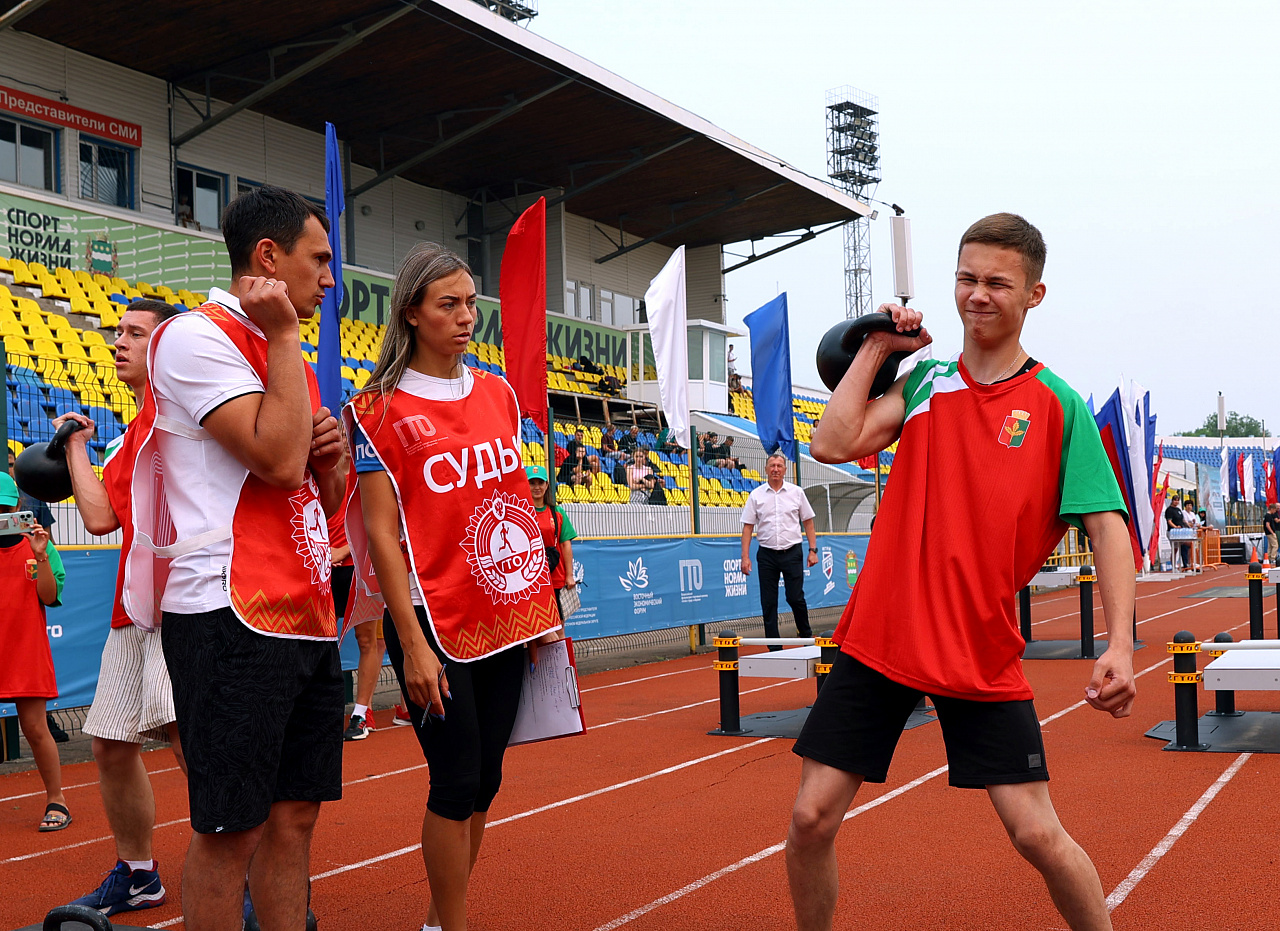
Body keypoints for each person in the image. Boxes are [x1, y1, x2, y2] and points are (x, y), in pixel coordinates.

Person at [791, 213, 1135, 931]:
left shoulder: (1057, 406)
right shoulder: (923, 380)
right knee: (811, 816)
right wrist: (879, 344)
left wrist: (1121, 642)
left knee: (1037, 834)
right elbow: (832, 439)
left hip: (976, 644)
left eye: (996, 283)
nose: (977, 295)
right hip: (882, 633)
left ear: (1034, 295)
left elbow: (1108, 528)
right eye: (966, 279)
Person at [124, 185, 348, 931]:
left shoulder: (281, 348)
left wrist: (336, 470)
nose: (329, 278)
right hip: (229, 608)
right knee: (231, 831)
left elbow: (309, 489)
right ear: (267, 258)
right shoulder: (196, 337)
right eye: (318, 260)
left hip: (303, 611)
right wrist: (284, 340)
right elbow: (278, 462)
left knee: (294, 819)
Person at [345, 242, 562, 931]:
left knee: (488, 781)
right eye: (450, 304)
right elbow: (381, 535)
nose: (467, 316)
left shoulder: (498, 391)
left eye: (471, 303)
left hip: (509, 612)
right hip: (435, 622)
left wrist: (543, 607)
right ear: (411, 312)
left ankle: (440, 918)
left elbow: (517, 504)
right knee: (455, 779)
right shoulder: (375, 410)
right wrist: (411, 643)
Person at [53, 299, 186, 918]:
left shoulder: (185, 417)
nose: (117, 341)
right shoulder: (132, 433)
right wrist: (77, 446)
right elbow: (102, 517)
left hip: (181, 603)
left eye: (135, 333)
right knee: (109, 743)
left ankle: (250, 868)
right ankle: (138, 874)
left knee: (191, 740)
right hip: (132, 611)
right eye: (116, 332)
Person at [0, 472, 68, 831]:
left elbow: (48, 596)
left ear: (18, 506)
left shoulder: (38, 546)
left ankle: (56, 799)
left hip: (25, 650)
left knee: (35, 728)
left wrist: (41, 555)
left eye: (4, 507)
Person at [739, 452, 817, 651]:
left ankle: (806, 637)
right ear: (766, 469)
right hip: (766, 554)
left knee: (795, 597)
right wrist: (745, 557)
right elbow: (748, 527)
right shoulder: (756, 495)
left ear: (784, 470)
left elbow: (808, 522)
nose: (775, 469)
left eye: (779, 466)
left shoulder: (796, 492)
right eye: (772, 465)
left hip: (792, 552)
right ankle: (774, 646)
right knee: (768, 601)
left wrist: (813, 550)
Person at [338, 471, 384, 742]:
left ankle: (360, 714)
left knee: (367, 641)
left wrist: (343, 551)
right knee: (318, 641)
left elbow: (375, 518)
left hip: (357, 567)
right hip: (320, 565)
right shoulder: (310, 464)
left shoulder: (364, 469)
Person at [526, 465, 578, 615]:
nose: (537, 487)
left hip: (555, 576)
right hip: (530, 579)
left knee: (558, 624)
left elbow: (565, 544)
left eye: (540, 483)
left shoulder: (557, 512)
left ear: (547, 485)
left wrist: (569, 575)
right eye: (532, 483)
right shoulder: (521, 514)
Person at [1164, 495, 1186, 569]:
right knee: (1174, 548)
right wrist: (1175, 527)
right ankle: (1173, 564)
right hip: (1172, 532)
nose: (1176, 502)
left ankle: (1183, 562)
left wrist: (1189, 525)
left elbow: (1183, 520)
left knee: (1182, 546)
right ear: (1172, 501)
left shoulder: (1178, 510)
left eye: (1177, 500)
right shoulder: (1169, 510)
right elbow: (1169, 521)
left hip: (1180, 532)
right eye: (1175, 500)